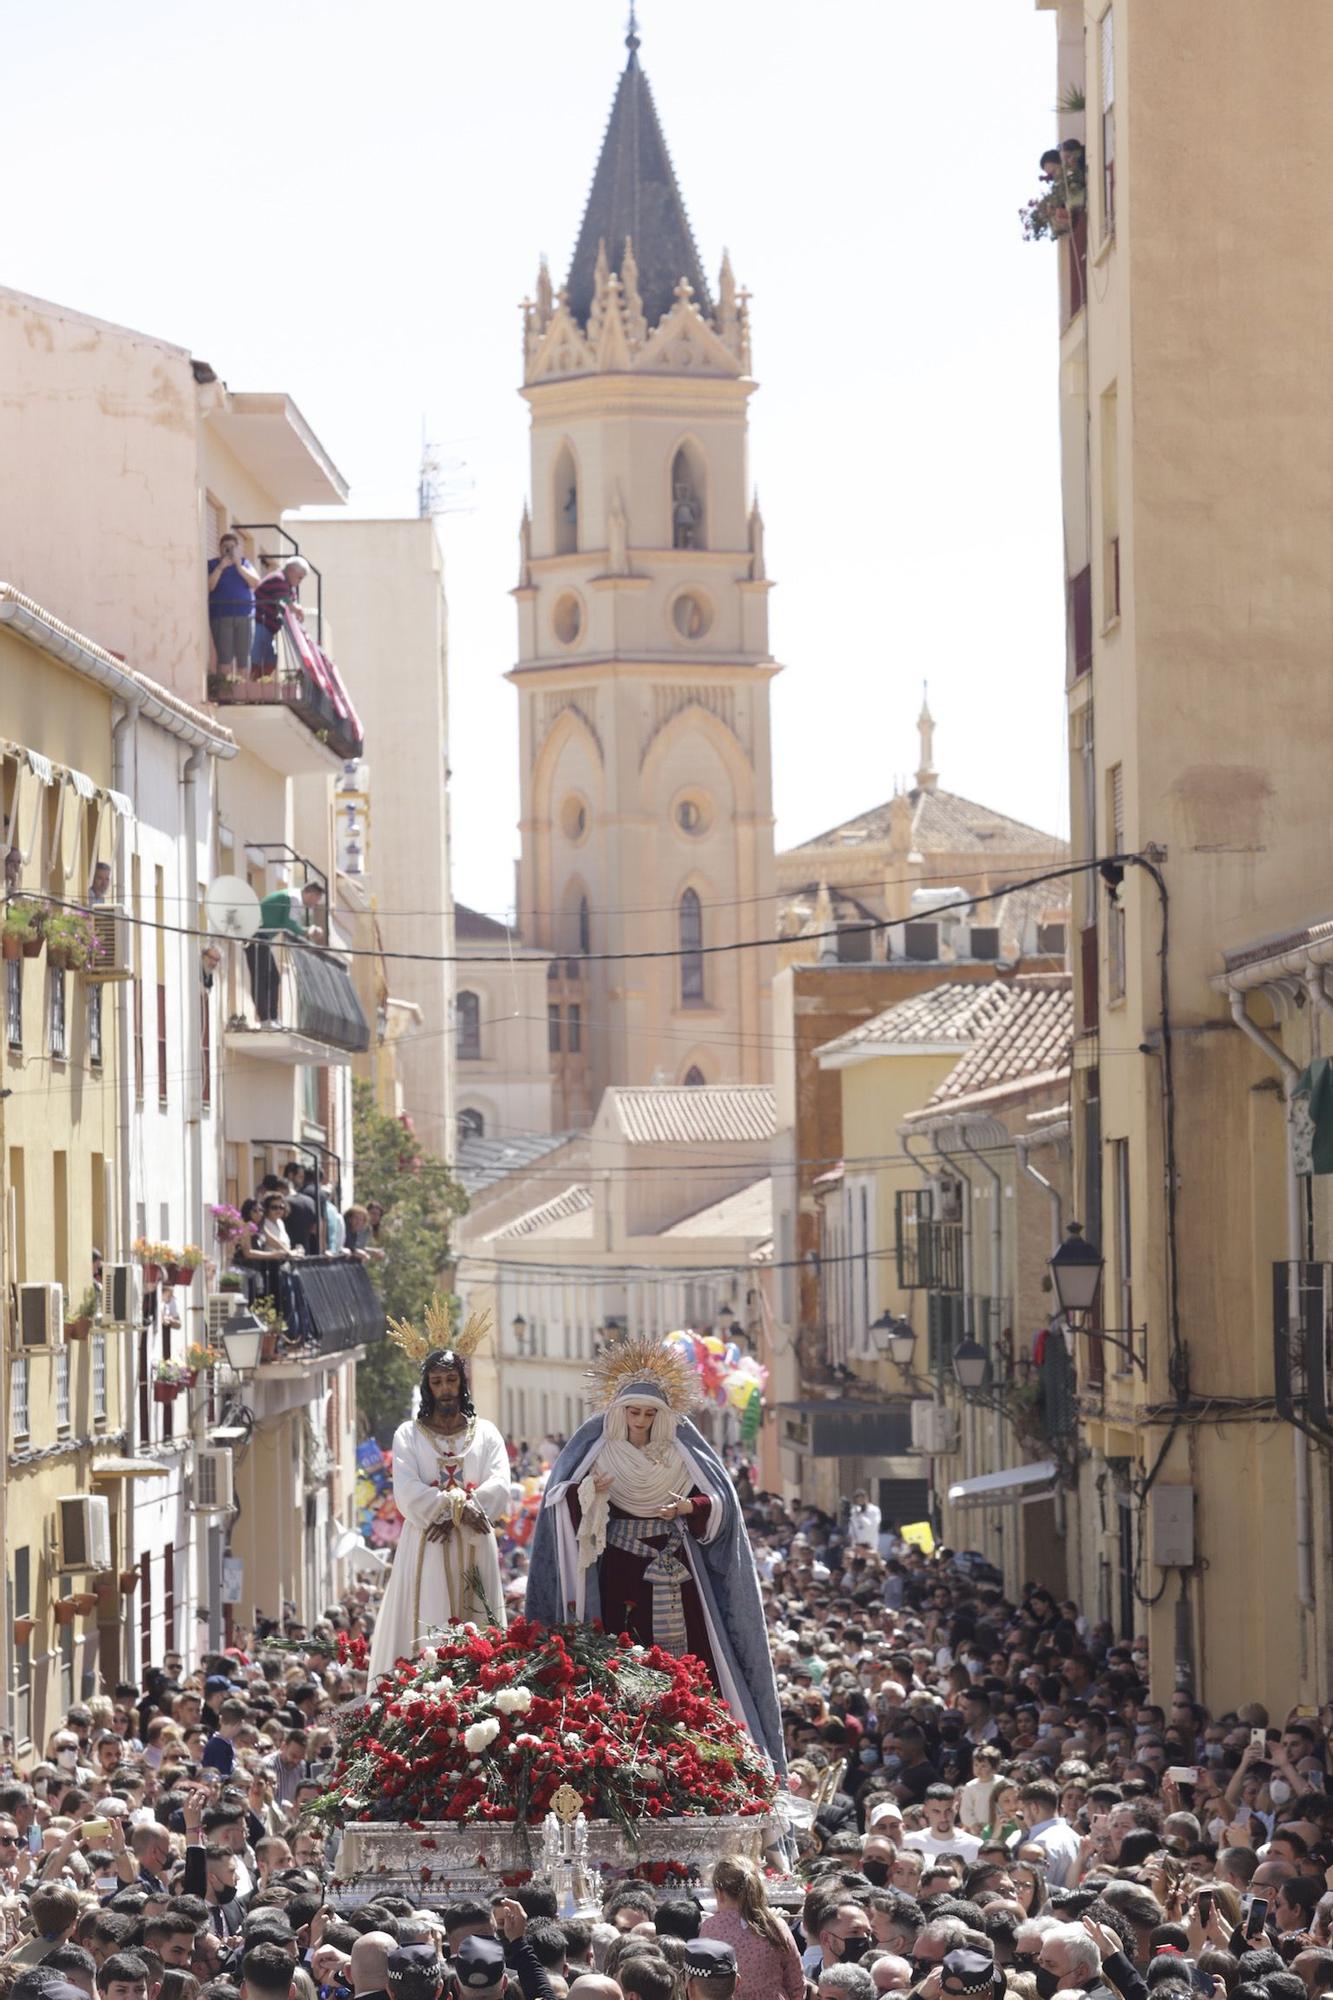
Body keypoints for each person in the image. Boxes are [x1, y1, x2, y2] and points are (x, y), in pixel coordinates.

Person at [526, 1337, 785, 1770]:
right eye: (634, 1412)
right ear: (619, 1412)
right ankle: (621, 1734)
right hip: (620, 1565)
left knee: (688, 1659)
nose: (642, 1420)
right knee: (621, 1648)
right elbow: (560, 1503)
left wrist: (687, 1507)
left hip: (676, 1567)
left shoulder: (681, 1453)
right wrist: (592, 1492)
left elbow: (719, 1503)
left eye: (649, 1413)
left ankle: (696, 1732)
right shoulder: (600, 1450)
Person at [366, 1319, 510, 1682]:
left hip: (476, 1537)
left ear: (462, 1382)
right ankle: (426, 1692)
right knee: (429, 1616)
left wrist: (462, 1509)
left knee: (481, 1621)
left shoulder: (486, 1433)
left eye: (451, 1380)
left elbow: (500, 1483)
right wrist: (450, 1509)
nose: (445, 1389)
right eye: (437, 1381)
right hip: (429, 1540)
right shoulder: (408, 1436)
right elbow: (407, 1490)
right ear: (427, 1387)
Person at [699, 1857, 802, 2000]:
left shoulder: (710, 1928)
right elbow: (795, 1977)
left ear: (720, 1893)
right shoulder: (775, 1925)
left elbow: (702, 1982)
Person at [244, 879, 324, 1027]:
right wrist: (308, 931)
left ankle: (272, 1018)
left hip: (261, 938)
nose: (316, 903)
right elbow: (288, 924)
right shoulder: (293, 898)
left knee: (272, 978)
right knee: (261, 978)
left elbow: (287, 923)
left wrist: (305, 931)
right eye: (317, 898)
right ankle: (265, 1019)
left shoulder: (293, 898)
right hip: (255, 937)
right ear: (311, 893)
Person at [207, 532, 261, 678]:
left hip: (245, 616)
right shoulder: (212, 564)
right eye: (226, 547)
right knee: (224, 658)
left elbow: (255, 582)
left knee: (244, 657)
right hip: (221, 616)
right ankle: (225, 691)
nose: (229, 550)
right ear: (220, 549)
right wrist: (221, 567)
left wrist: (238, 566)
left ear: (238, 548)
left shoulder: (244, 563)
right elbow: (209, 586)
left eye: (232, 547)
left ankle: (242, 691)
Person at [251, 557, 310, 679]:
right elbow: (284, 599)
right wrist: (296, 608)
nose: (300, 581)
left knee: (271, 661)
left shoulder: (288, 585)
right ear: (291, 571)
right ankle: (251, 686)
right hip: (259, 623)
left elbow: (291, 602)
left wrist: (296, 610)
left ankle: (257, 686)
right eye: (300, 577)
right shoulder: (278, 579)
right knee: (256, 661)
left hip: (269, 628)